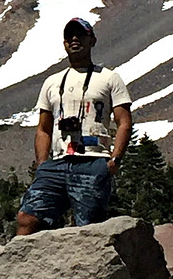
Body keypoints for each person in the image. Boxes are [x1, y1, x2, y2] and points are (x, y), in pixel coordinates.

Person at [16, 18, 132, 234]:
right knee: (28, 217)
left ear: (92, 40)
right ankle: (19, 264)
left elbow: (124, 121)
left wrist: (115, 160)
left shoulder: (109, 78)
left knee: (89, 227)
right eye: (70, 36)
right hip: (57, 162)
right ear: (64, 43)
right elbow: (43, 127)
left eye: (81, 34)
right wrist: (42, 163)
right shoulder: (52, 82)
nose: (75, 39)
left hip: (93, 160)